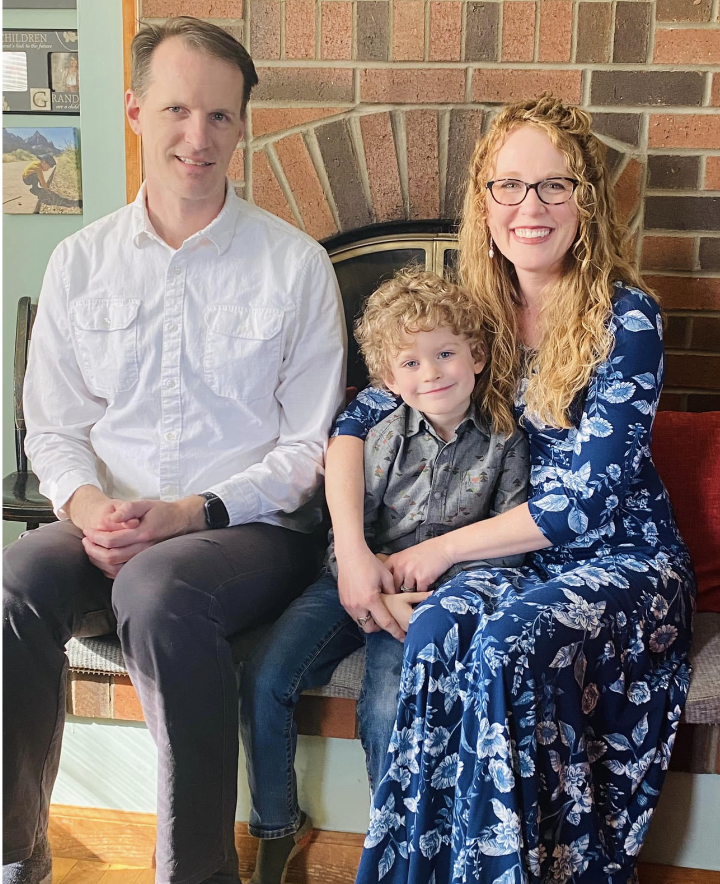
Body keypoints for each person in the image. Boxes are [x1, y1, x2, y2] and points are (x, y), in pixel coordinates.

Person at [3, 16, 346, 884]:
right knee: (13, 582)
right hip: (110, 519)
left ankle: (194, 873)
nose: (199, 138)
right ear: (135, 111)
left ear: (242, 125)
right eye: (178, 110)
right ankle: (15, 859)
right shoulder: (80, 265)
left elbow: (308, 447)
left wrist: (187, 513)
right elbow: (54, 426)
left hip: (250, 530)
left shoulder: (296, 266)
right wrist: (89, 511)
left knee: (160, 587)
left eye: (222, 117)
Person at [327, 96, 695, 884]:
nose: (531, 207)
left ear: (585, 201)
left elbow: (581, 506)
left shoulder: (626, 320)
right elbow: (359, 415)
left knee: (503, 646)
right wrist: (355, 553)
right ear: (483, 200)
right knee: (435, 633)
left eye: (555, 186)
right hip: (521, 560)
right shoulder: (477, 310)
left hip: (626, 563)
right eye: (510, 186)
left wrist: (436, 550)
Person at [239, 269, 530, 884]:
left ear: (475, 354)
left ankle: (393, 843)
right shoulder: (380, 434)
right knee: (265, 675)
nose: (433, 374)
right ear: (390, 379)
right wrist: (367, 584)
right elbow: (349, 534)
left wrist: (425, 596)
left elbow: (507, 545)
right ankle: (276, 825)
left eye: (446, 353)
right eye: (412, 363)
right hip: (354, 582)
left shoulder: (505, 438)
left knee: (387, 703)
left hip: (439, 596)